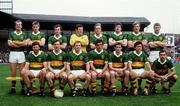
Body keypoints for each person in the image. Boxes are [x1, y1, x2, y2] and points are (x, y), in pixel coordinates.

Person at [7, 20, 27, 94]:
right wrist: (20, 44)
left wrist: (14, 42)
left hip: (21, 53)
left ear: (21, 26)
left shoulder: (24, 34)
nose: (18, 26)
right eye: (17, 25)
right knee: (13, 72)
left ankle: (23, 88)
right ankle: (13, 88)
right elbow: (9, 44)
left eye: (20, 25)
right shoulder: (11, 33)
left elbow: (25, 44)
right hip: (13, 53)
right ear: (15, 26)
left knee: (22, 72)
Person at [127, 21, 147, 91]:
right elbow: (129, 45)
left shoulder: (142, 35)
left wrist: (134, 43)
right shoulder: (130, 35)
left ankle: (139, 86)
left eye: (138, 26)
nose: (136, 27)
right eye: (135, 26)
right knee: (131, 69)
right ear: (133, 27)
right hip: (131, 53)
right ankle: (132, 86)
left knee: (140, 68)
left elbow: (144, 44)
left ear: (139, 27)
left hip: (140, 53)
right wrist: (139, 43)